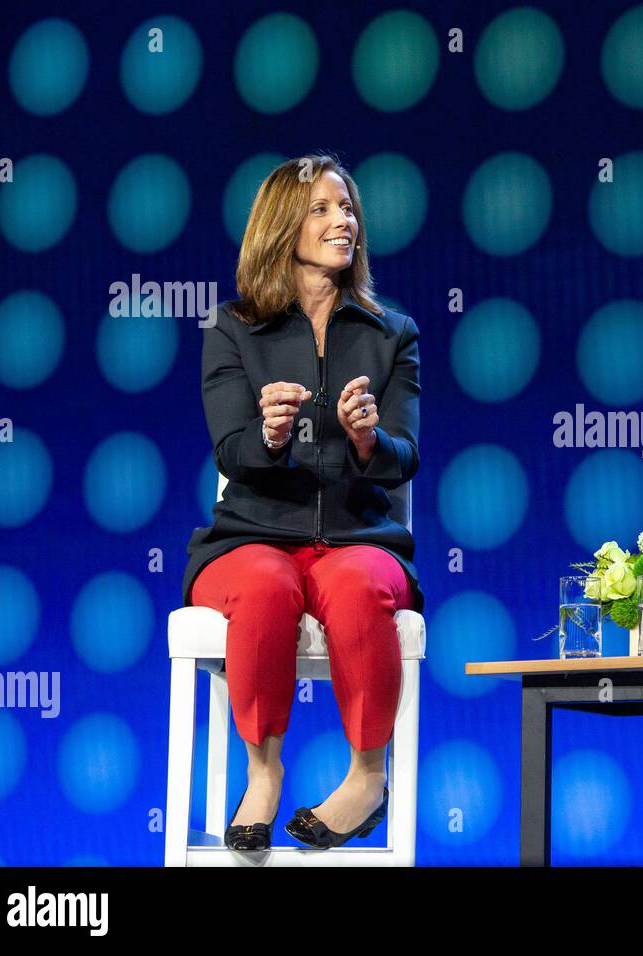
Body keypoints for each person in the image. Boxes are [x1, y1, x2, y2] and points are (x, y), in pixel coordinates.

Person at [181, 154, 422, 852]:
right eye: (321, 208)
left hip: (358, 536)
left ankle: (366, 776)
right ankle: (261, 771)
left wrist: (368, 439)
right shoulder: (232, 328)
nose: (342, 220)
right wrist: (269, 434)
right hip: (251, 535)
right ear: (283, 226)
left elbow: (406, 454)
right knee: (263, 585)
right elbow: (231, 451)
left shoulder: (391, 334)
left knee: (358, 586)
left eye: (346, 207)